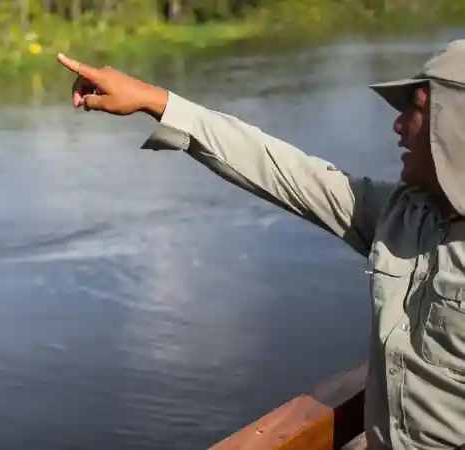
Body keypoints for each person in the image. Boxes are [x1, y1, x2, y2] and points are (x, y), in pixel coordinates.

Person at [56, 38, 465, 450]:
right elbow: (279, 168)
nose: (397, 125)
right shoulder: (400, 214)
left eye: (415, 109)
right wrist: (154, 100)